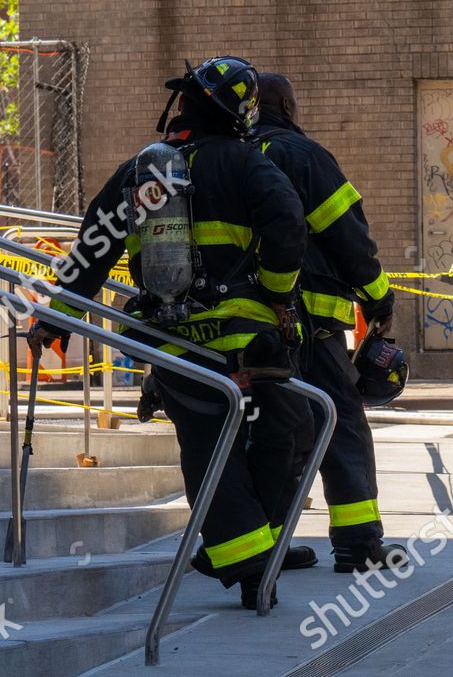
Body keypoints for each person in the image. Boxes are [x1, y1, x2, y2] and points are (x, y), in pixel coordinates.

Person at [34, 56, 309, 608]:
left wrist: (54, 316)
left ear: (183, 104)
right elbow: (287, 222)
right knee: (289, 433)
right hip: (249, 342)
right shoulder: (246, 163)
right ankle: (254, 559)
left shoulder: (144, 171)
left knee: (210, 450)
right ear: (240, 113)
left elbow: (93, 245)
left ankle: (244, 558)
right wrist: (279, 295)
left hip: (176, 346)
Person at [250, 74, 406, 573]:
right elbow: (348, 236)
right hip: (308, 322)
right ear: (286, 106)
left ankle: (264, 545)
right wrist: (379, 298)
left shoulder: (228, 157)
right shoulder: (302, 155)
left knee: (275, 432)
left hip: (242, 327)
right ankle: (358, 544)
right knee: (339, 424)